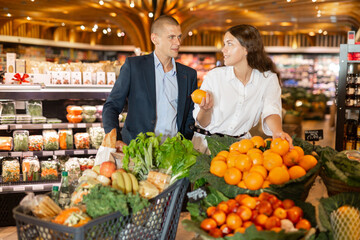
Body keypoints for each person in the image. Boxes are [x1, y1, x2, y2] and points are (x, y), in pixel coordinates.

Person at [192, 24, 293, 153]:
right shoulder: (215, 76)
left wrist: (277, 131)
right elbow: (202, 123)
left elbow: (271, 109)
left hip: (241, 149)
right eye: (224, 44)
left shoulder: (267, 79)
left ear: (246, 49)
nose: (223, 50)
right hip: (205, 146)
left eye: (229, 44)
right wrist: (205, 110)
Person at [102, 15, 197, 150]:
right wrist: (115, 139)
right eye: (171, 37)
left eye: (179, 36)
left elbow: (190, 115)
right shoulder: (134, 66)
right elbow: (112, 106)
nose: (178, 42)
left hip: (174, 153)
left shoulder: (189, 75)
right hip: (137, 151)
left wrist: (184, 142)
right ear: (155, 39)